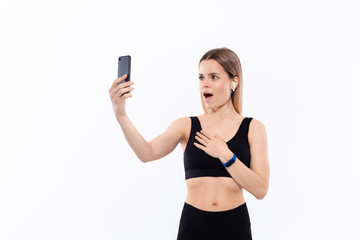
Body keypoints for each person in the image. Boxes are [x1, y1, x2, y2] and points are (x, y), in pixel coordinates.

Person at [108, 47, 270, 240]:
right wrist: (121, 115)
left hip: (235, 225)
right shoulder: (186, 125)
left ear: (233, 82)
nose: (205, 84)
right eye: (201, 77)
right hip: (194, 224)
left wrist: (226, 155)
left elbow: (260, 189)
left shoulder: (253, 127)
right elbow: (147, 153)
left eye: (214, 77)